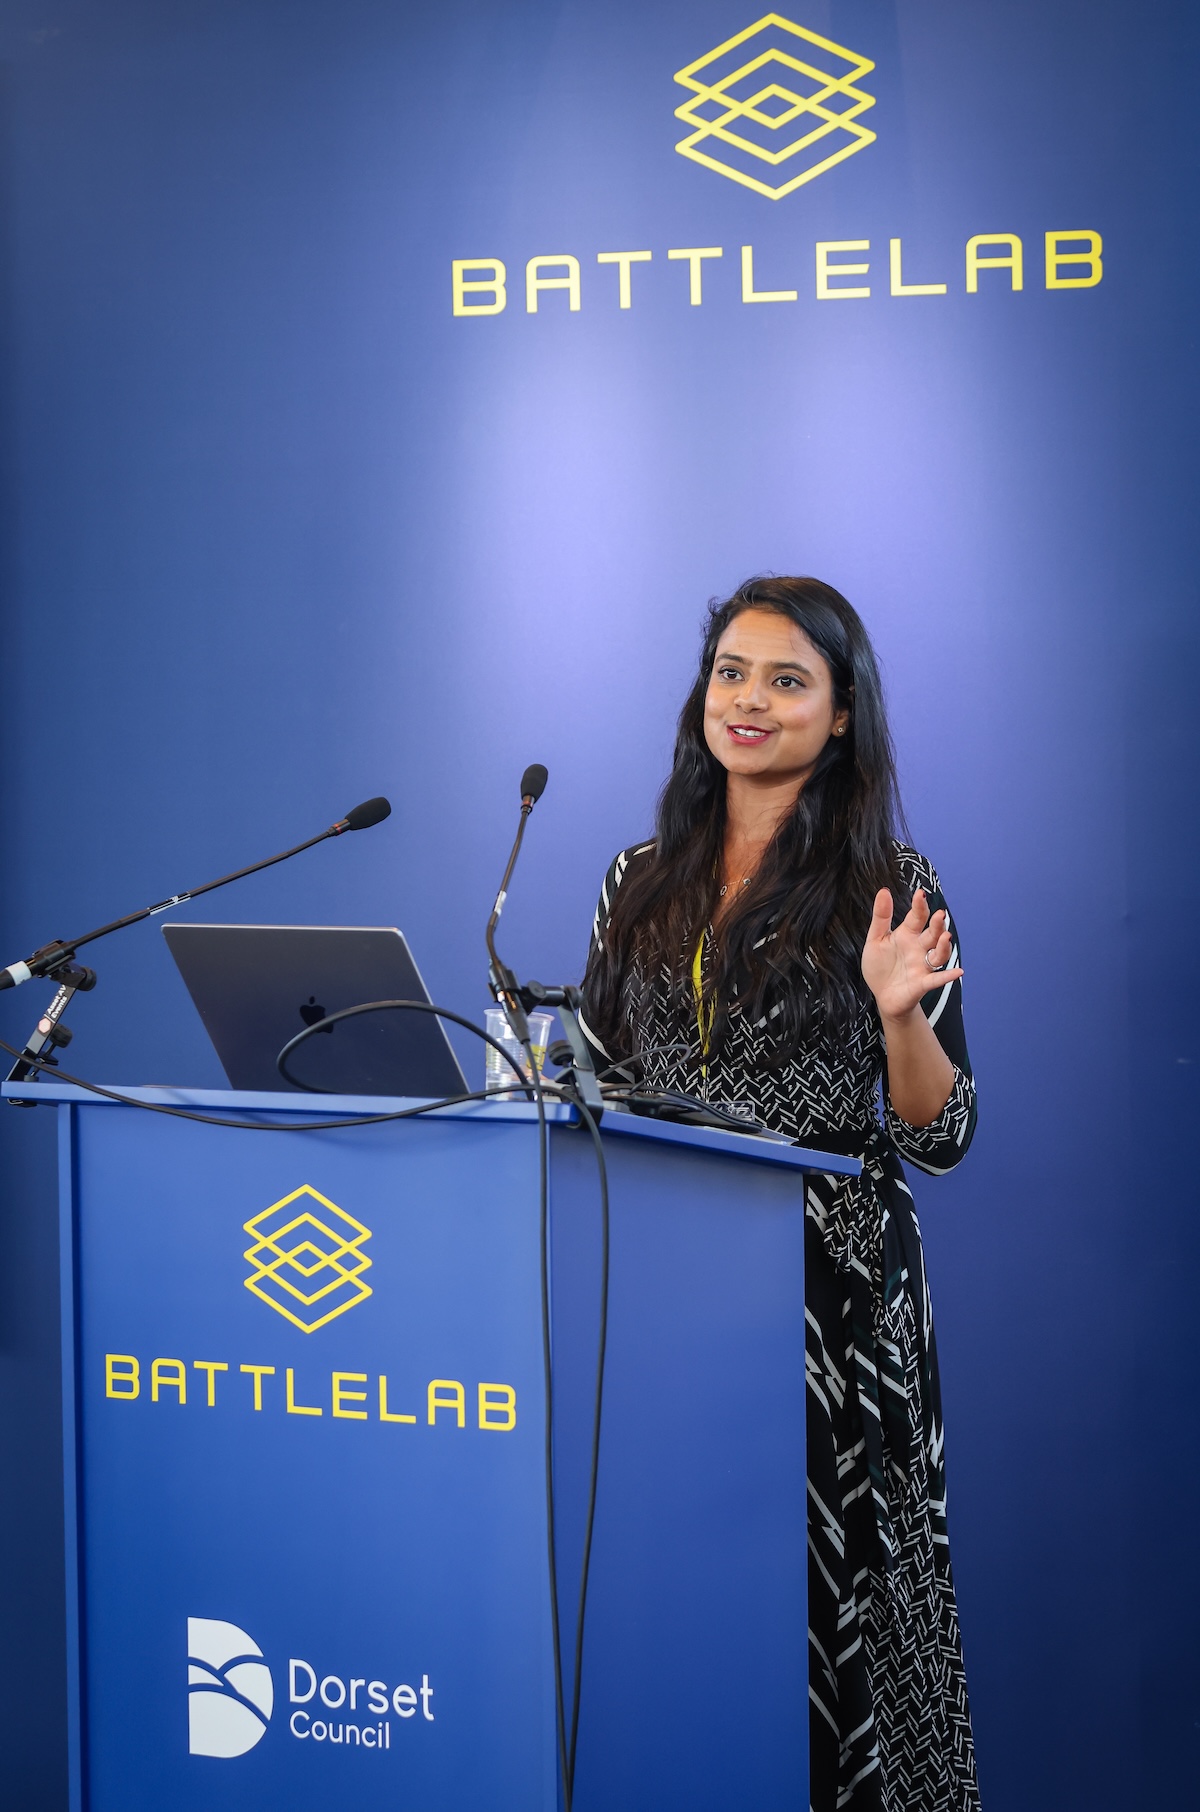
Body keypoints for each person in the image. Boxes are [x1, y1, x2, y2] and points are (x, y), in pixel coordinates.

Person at [580, 576, 980, 1812]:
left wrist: (900, 1014)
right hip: (658, 1286)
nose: (748, 701)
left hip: (829, 1302)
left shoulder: (890, 885)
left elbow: (944, 1136)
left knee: (831, 1599)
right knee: (672, 1587)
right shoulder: (637, 877)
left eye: (787, 680)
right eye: (731, 673)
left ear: (842, 713)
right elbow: (593, 1076)